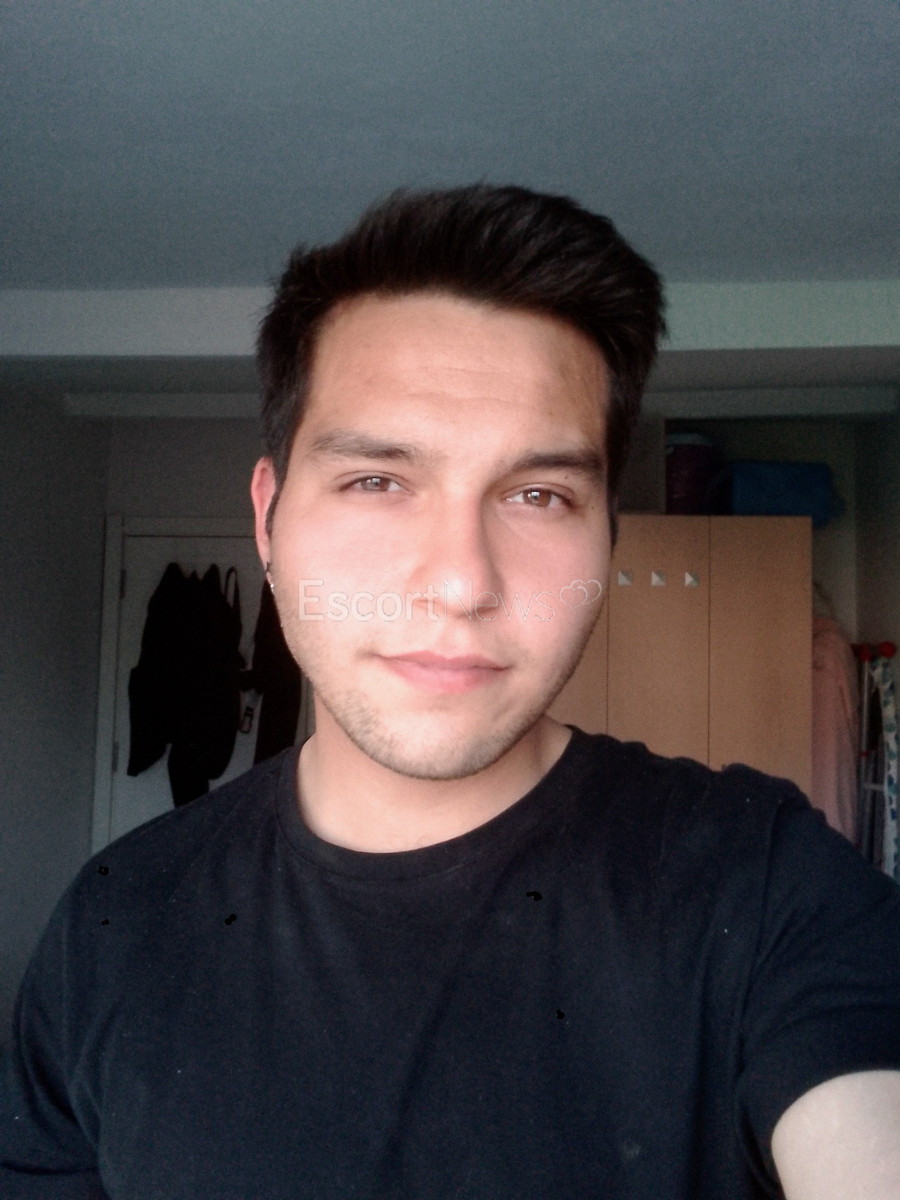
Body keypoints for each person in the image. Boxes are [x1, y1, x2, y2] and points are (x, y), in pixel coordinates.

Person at [2, 185, 899, 1200]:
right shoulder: (114, 922)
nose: (463, 582)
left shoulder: (766, 884)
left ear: (607, 537)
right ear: (268, 517)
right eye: (377, 481)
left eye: (539, 495)